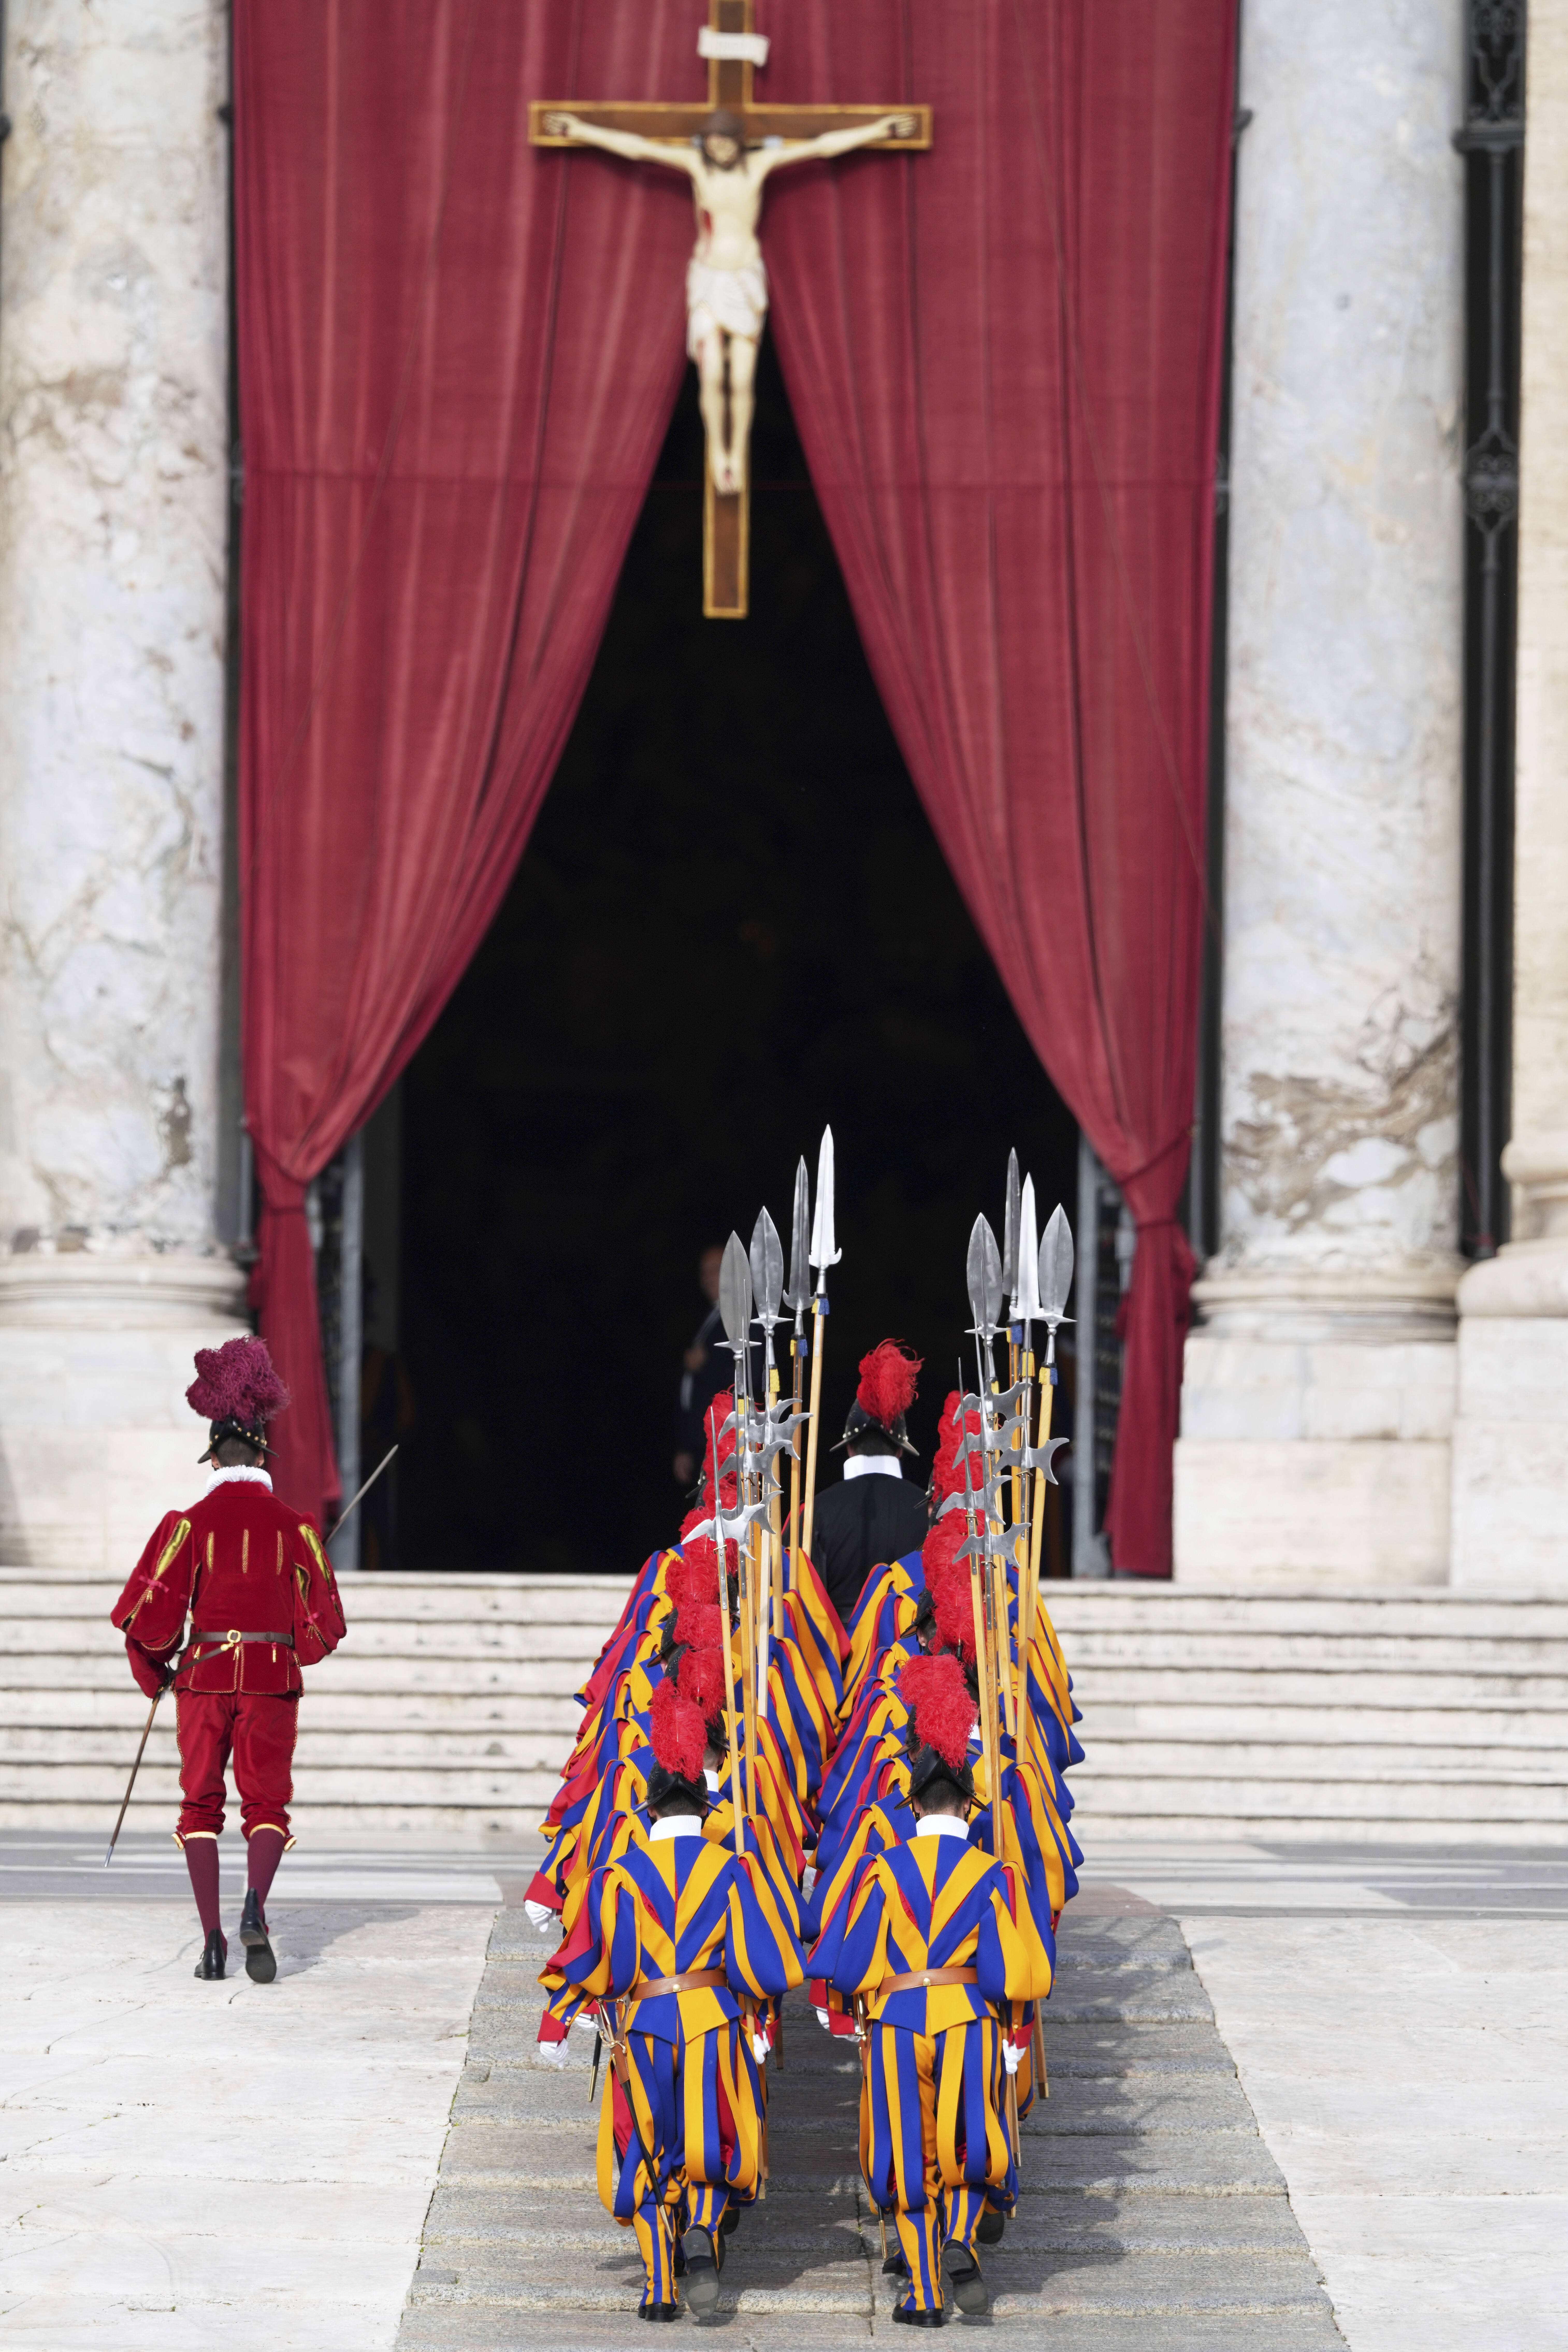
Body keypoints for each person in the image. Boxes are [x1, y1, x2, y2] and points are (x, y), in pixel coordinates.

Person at [544, 1673, 806, 2319]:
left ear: (652, 1811)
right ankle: (704, 2230)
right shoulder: (736, 1867)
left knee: (647, 2145)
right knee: (715, 2141)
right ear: (703, 1809)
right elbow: (766, 1963)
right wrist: (763, 2010)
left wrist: (557, 2020)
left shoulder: (617, 1874)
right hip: (716, 2020)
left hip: (647, 2025)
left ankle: (660, 2286)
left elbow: (590, 1957)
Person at [811, 1652, 1047, 2326]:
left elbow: (852, 1963)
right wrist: (1013, 2028)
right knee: (971, 2140)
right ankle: (960, 2239)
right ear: (968, 1805)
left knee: (906, 2151)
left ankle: (919, 2293)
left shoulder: (883, 1867)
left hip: (894, 2022)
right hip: (967, 2017)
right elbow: (1010, 1969)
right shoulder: (990, 1871)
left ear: (911, 1803)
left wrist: (847, 2003)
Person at [109, 1336, 345, 1982]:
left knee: (199, 1808)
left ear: (213, 1455)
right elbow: (325, 1626)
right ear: (263, 1454)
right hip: (271, 1681)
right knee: (267, 1806)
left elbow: (150, 1617)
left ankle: (213, 1940)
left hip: (205, 1680)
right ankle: (255, 1908)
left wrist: (154, 1674)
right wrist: (291, 1638)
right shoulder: (297, 1527)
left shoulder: (185, 1523)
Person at [541, 106, 916, 495]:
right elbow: (637, 148)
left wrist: (876, 130)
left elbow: (821, 147)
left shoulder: (758, 166)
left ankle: (736, 454)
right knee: (712, 376)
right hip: (707, 278)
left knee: (739, 379)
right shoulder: (696, 166)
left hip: (743, 279)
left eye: (725, 142)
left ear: (737, 142)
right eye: (713, 143)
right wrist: (583, 130)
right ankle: (716, 454)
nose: (719, 150)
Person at [810, 1341, 929, 1625]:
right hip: (910, 1664)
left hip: (836, 1668)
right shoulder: (932, 1515)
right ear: (900, 1449)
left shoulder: (813, 1513)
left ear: (849, 1446)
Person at [673, 1243, 726, 1489]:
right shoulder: (710, 1316)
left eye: (715, 1270)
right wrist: (685, 1445)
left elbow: (744, 1376)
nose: (708, 1278)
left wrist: (702, 1365)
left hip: (723, 1441)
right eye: (704, 1272)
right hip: (701, 1444)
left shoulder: (740, 1316)